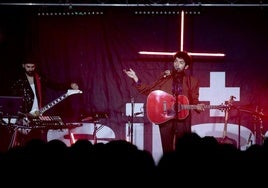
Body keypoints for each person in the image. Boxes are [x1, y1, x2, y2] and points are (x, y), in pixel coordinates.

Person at [124, 51, 205, 154]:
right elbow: (150, 91)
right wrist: (135, 78)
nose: (177, 64)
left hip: (183, 118)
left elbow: (194, 100)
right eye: (175, 61)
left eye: (181, 62)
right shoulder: (165, 77)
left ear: (186, 66)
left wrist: (197, 106)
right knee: (167, 150)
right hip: (166, 117)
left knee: (185, 149)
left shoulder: (192, 81)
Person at [9, 56, 79, 147]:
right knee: (24, 143)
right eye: (28, 67)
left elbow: (54, 85)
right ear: (23, 66)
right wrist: (21, 115)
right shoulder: (18, 81)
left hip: (38, 114)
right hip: (24, 117)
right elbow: (13, 101)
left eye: (32, 67)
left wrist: (69, 85)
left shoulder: (39, 78)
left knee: (38, 141)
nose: (30, 69)